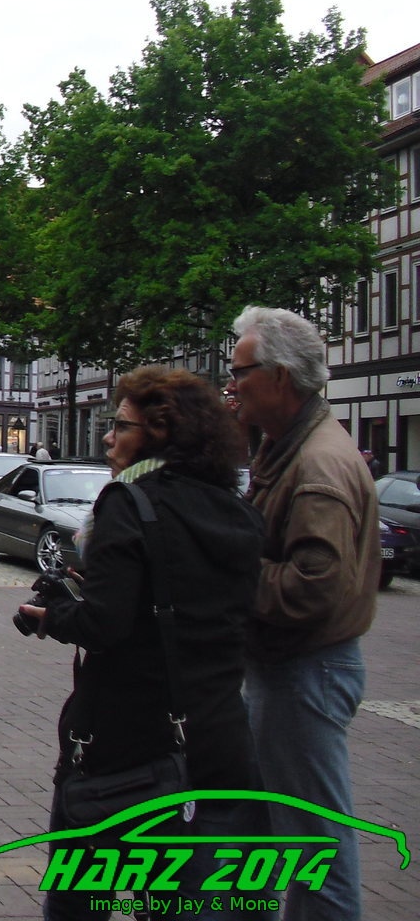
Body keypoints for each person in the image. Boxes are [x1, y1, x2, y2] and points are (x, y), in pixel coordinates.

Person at [18, 366, 264, 918]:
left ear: (159, 434)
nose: (108, 437)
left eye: (121, 426)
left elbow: (105, 624)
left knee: (80, 900)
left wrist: (53, 615)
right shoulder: (237, 510)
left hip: (127, 740)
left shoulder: (128, 503)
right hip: (217, 738)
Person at [229, 305, 381, 920]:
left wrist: (229, 574)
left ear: (280, 377)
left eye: (240, 372)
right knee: (265, 839)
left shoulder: (317, 464)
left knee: (317, 853)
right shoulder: (290, 446)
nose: (232, 384)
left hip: (304, 672)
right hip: (289, 669)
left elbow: (313, 586)